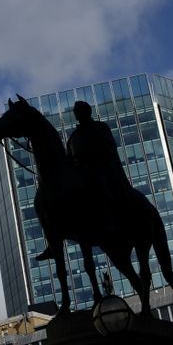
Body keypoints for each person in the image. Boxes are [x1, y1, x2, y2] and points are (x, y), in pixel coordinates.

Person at [35, 101, 130, 261]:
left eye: (79, 110)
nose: (77, 114)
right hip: (82, 173)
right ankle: (54, 241)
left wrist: (88, 157)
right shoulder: (74, 136)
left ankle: (108, 222)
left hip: (100, 170)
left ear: (88, 111)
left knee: (98, 185)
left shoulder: (100, 127)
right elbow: (69, 160)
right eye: (75, 111)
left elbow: (108, 147)